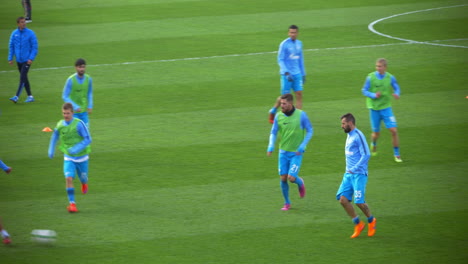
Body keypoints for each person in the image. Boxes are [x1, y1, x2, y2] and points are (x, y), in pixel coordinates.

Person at [267, 93, 313, 211]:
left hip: (296, 153)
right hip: (283, 152)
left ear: (291, 103)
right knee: (283, 178)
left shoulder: (301, 115)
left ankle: (300, 182)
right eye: (281, 103)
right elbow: (273, 132)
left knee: (291, 178)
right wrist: (271, 145)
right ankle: (287, 203)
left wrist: (303, 145)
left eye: (284, 104)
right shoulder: (278, 116)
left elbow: (310, 130)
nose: (281, 106)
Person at [336, 113, 376, 238]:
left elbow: (367, 155)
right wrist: (349, 170)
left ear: (350, 123)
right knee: (343, 200)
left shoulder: (358, 135)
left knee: (359, 202)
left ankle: (371, 220)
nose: (342, 126)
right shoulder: (349, 135)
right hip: (348, 174)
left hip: (359, 174)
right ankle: (358, 224)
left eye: (343, 123)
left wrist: (355, 168)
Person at [48, 103, 92, 213]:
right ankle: (72, 204)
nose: (66, 115)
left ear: (72, 113)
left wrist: (76, 148)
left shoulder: (79, 124)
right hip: (68, 157)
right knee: (68, 178)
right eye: (64, 113)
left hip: (82, 157)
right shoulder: (60, 124)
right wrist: (51, 149)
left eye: (67, 113)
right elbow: (55, 136)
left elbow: (88, 139)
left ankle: (84, 183)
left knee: (83, 178)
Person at [362, 58, 402, 162]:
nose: (378, 68)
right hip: (374, 109)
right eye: (377, 66)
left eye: (380, 66)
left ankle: (397, 154)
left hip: (386, 108)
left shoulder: (390, 77)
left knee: (394, 130)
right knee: (376, 134)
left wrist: (397, 93)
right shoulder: (370, 77)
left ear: (385, 67)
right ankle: (374, 144)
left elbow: (396, 86)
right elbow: (364, 90)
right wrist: (373, 95)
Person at [269, 25, 306, 123]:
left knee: (299, 94)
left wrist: (303, 73)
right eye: (291, 32)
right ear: (288, 33)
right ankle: (273, 110)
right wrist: (286, 72)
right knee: (285, 97)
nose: (293, 34)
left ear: (297, 33)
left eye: (294, 32)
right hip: (286, 74)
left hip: (297, 73)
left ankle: (298, 117)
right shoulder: (284, 44)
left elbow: (300, 59)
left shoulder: (299, 44)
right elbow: (280, 59)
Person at [8, 16, 38, 103]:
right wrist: (10, 58)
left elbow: (34, 47)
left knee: (22, 77)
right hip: (19, 60)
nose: (24, 23)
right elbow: (11, 46)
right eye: (22, 22)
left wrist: (31, 58)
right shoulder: (14, 34)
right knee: (24, 78)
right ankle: (30, 96)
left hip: (27, 60)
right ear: (18, 24)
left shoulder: (30, 33)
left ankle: (16, 96)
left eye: (24, 22)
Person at [62, 58, 93, 127]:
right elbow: (64, 96)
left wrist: (90, 105)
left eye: (83, 67)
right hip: (73, 113)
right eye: (80, 67)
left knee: (85, 133)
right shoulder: (71, 80)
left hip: (84, 112)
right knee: (75, 133)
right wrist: (75, 106)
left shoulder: (88, 79)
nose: (82, 69)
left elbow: (89, 93)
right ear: (76, 67)